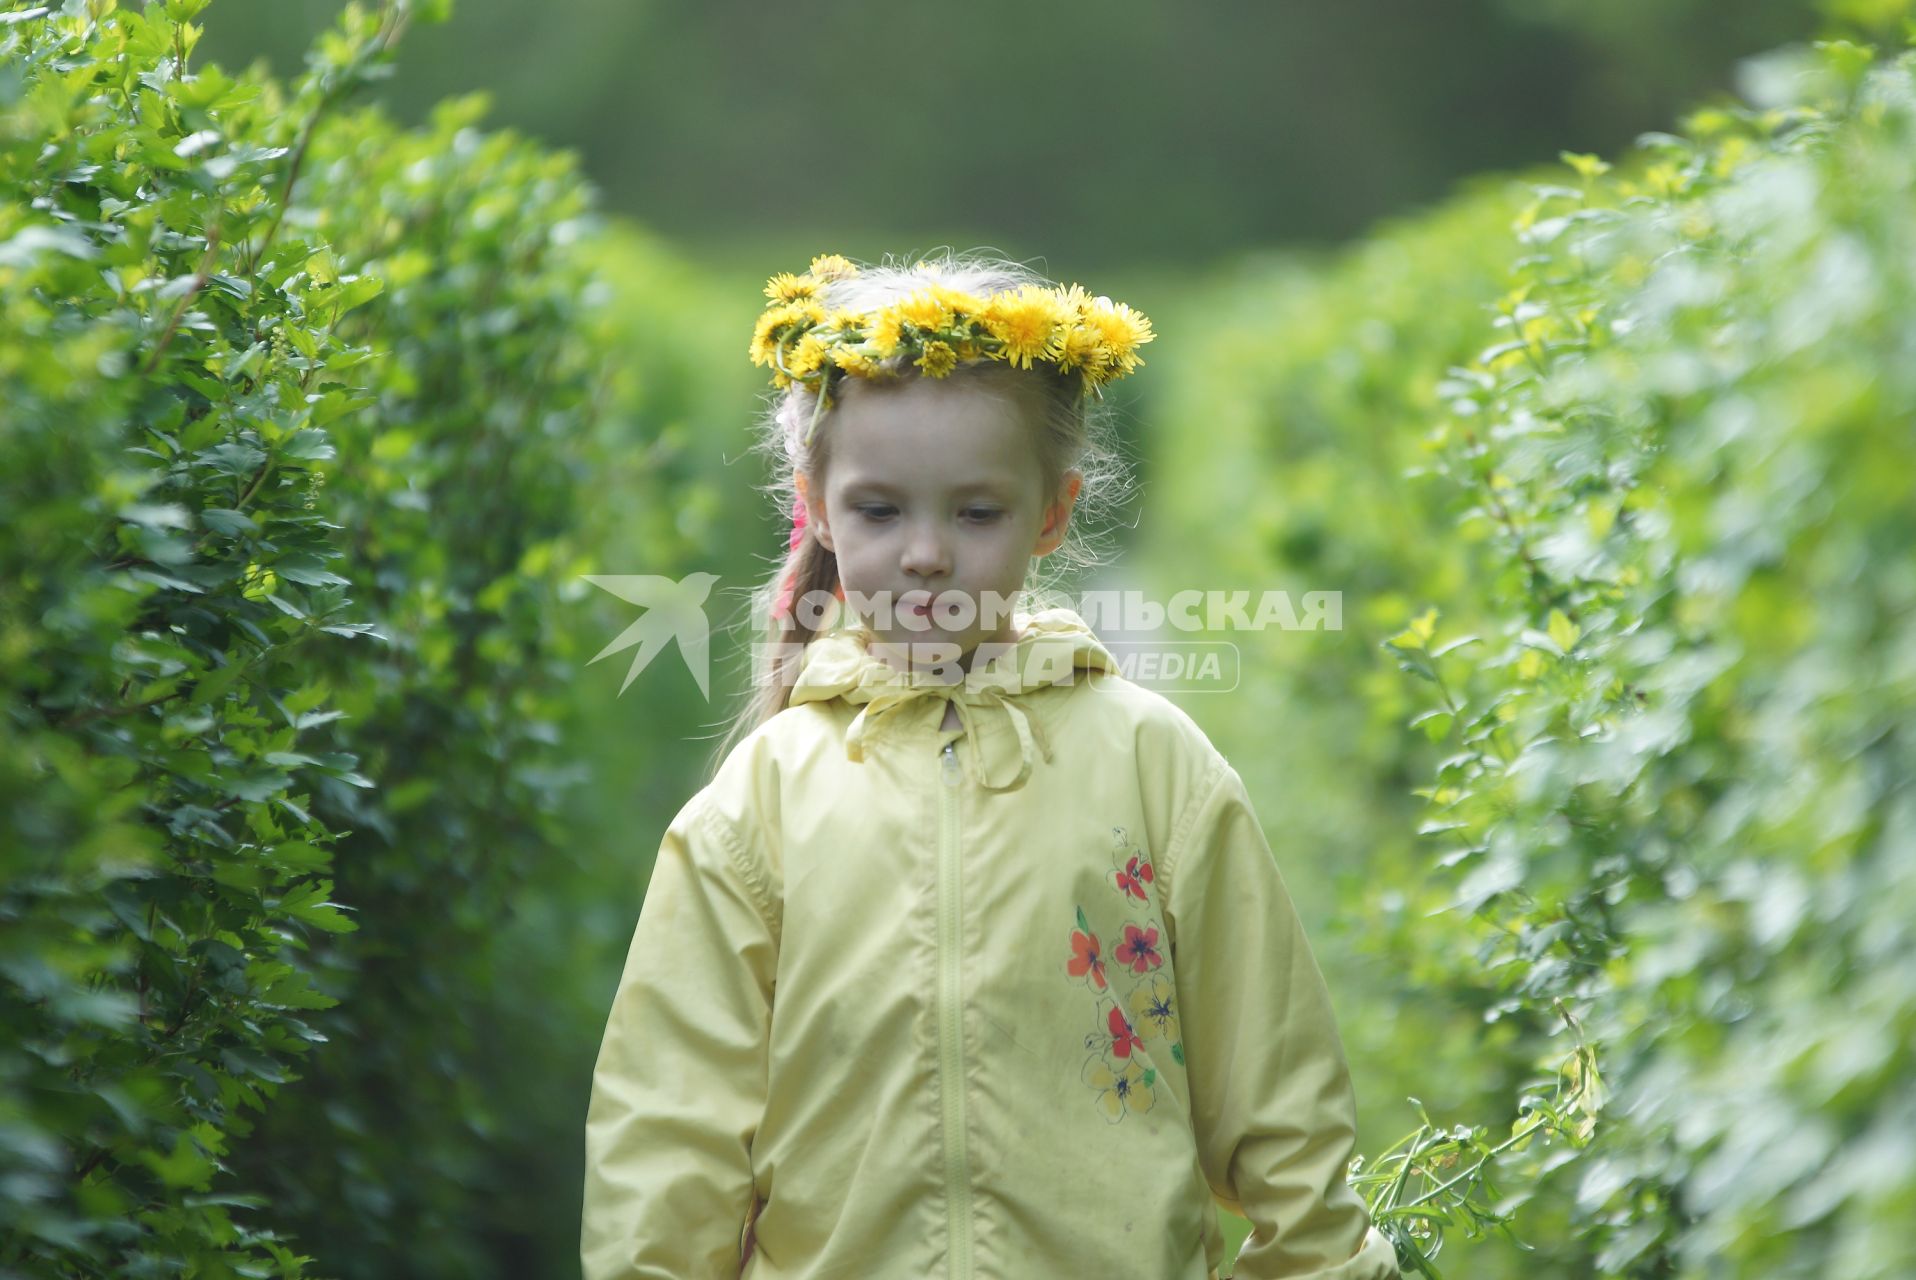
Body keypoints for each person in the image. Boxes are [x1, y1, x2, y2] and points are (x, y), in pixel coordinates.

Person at [581, 250, 1401, 1279]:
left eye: (975, 512)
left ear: (1050, 512)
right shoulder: (761, 800)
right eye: (880, 509)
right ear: (820, 505)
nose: (926, 552)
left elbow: (1274, 1085)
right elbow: (670, 1127)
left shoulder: (1155, 764)